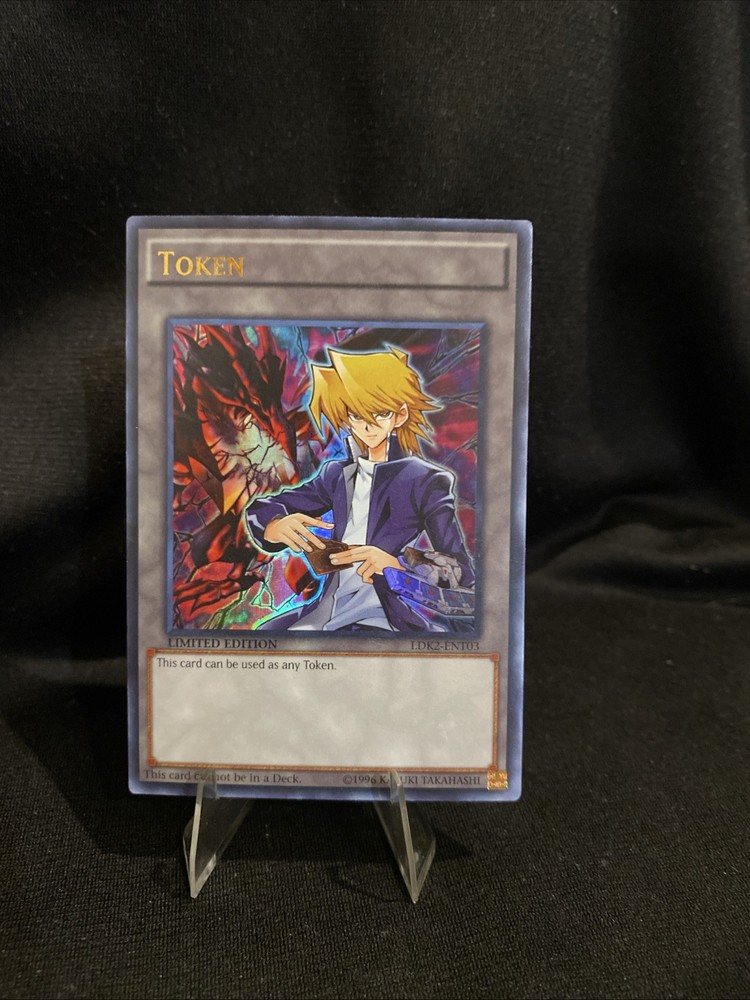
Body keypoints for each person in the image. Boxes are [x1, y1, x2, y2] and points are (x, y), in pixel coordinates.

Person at [245, 346, 474, 632]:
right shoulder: (336, 474)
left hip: (385, 615)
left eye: (381, 413)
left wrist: (398, 566)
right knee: (264, 637)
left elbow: (461, 572)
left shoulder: (425, 479)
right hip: (327, 610)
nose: (367, 426)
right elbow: (267, 507)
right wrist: (274, 526)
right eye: (356, 415)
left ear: (400, 415)